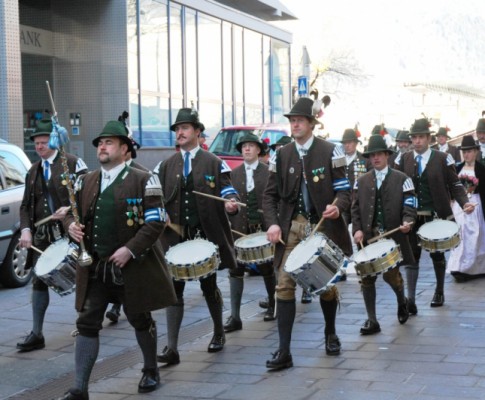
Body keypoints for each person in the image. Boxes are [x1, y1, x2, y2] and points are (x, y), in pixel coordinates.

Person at [58, 120, 176, 400]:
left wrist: (130, 250)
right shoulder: (85, 180)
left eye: (108, 142)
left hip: (133, 266)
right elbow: (72, 214)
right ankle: (80, 388)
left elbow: (155, 223)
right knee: (86, 323)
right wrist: (70, 227)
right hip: (95, 266)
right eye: (100, 142)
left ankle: (150, 370)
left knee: (139, 317)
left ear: (125, 149)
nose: (101, 146)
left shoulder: (145, 178)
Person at [263, 97, 352, 370]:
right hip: (292, 227)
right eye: (292, 120)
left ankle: (330, 333)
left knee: (325, 284)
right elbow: (269, 196)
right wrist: (273, 223)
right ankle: (284, 351)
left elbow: (344, 191)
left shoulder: (331, 151)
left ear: (312, 123)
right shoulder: (281, 154)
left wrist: (337, 209)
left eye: (300, 120)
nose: (295, 124)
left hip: (322, 227)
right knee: (284, 284)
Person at [155, 107, 239, 366]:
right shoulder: (166, 165)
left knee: (208, 285)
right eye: (177, 129)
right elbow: (156, 197)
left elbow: (228, 189)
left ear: (198, 132)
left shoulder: (214, 161)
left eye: (185, 128)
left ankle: (218, 332)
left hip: (206, 238)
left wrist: (231, 202)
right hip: (176, 239)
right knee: (174, 290)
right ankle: (172, 347)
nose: (179, 132)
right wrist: (160, 213)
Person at [17, 118, 88, 353]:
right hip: (42, 234)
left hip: (69, 231)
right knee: (38, 280)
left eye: (44, 141)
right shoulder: (33, 170)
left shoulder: (73, 163)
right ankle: (37, 333)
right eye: (36, 143)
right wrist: (26, 229)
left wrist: (69, 209)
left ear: (54, 141)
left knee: (81, 277)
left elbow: (89, 193)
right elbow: (26, 205)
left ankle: (86, 324)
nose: (39, 146)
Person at [395, 117, 474, 313]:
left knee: (437, 254)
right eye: (414, 137)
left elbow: (454, 184)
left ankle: (439, 290)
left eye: (421, 137)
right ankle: (411, 300)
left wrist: (465, 202)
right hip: (411, 215)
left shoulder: (442, 158)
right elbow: (395, 187)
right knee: (411, 256)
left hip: (435, 214)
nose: (417, 141)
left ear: (428, 138)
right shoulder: (403, 159)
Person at [351, 135, 417, 334]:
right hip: (368, 239)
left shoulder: (403, 179)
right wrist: (357, 229)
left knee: (391, 276)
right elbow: (354, 209)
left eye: (379, 154)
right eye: (372, 155)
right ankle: (372, 320)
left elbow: (410, 204)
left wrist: (407, 221)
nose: (376, 158)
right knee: (367, 278)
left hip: (393, 238)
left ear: (387, 155)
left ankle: (401, 301)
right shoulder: (360, 181)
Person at [224, 133, 276, 333]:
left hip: (262, 229)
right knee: (235, 270)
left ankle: (273, 304)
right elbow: (228, 199)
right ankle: (235, 316)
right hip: (239, 230)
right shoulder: (233, 174)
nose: (246, 149)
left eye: (251, 146)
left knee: (266, 267)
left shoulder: (268, 172)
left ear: (258, 150)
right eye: (244, 146)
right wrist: (230, 207)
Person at [105, 114, 149, 324]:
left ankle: (120, 306)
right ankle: (113, 304)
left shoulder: (142, 175)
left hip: (132, 239)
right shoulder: (103, 175)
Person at [447, 135, 485, 281]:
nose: (467, 154)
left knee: (475, 235)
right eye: (464, 151)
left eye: (469, 151)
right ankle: (458, 268)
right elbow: (451, 187)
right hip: (459, 206)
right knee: (460, 236)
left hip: (476, 205)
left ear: (475, 151)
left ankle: (475, 268)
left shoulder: (481, 169)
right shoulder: (457, 168)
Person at [341, 128, 372, 226]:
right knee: (342, 231)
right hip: (343, 203)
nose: (347, 145)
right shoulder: (338, 159)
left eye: (349, 142)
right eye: (345, 143)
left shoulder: (365, 159)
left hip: (359, 202)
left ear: (356, 143)